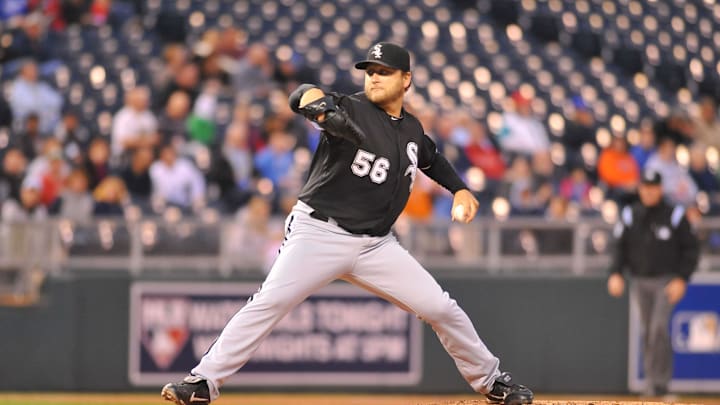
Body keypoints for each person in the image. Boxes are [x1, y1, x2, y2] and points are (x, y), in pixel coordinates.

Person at [161, 42, 533, 405]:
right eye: (370, 71)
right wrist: (319, 108)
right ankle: (203, 381)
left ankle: (490, 381)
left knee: (441, 309)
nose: (374, 78)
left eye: (384, 72)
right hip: (320, 232)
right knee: (270, 302)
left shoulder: (411, 130)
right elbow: (301, 95)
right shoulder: (350, 107)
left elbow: (431, 158)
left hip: (376, 245)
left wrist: (460, 190)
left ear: (406, 79)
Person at [607, 169, 700, 397]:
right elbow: (619, 245)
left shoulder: (675, 214)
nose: (648, 192)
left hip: (666, 280)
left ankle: (661, 383)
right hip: (640, 279)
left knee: (659, 328)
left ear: (660, 189)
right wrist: (615, 272)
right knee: (648, 330)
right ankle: (652, 384)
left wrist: (682, 278)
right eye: (645, 187)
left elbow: (691, 249)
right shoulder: (631, 214)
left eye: (653, 187)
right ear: (640, 189)